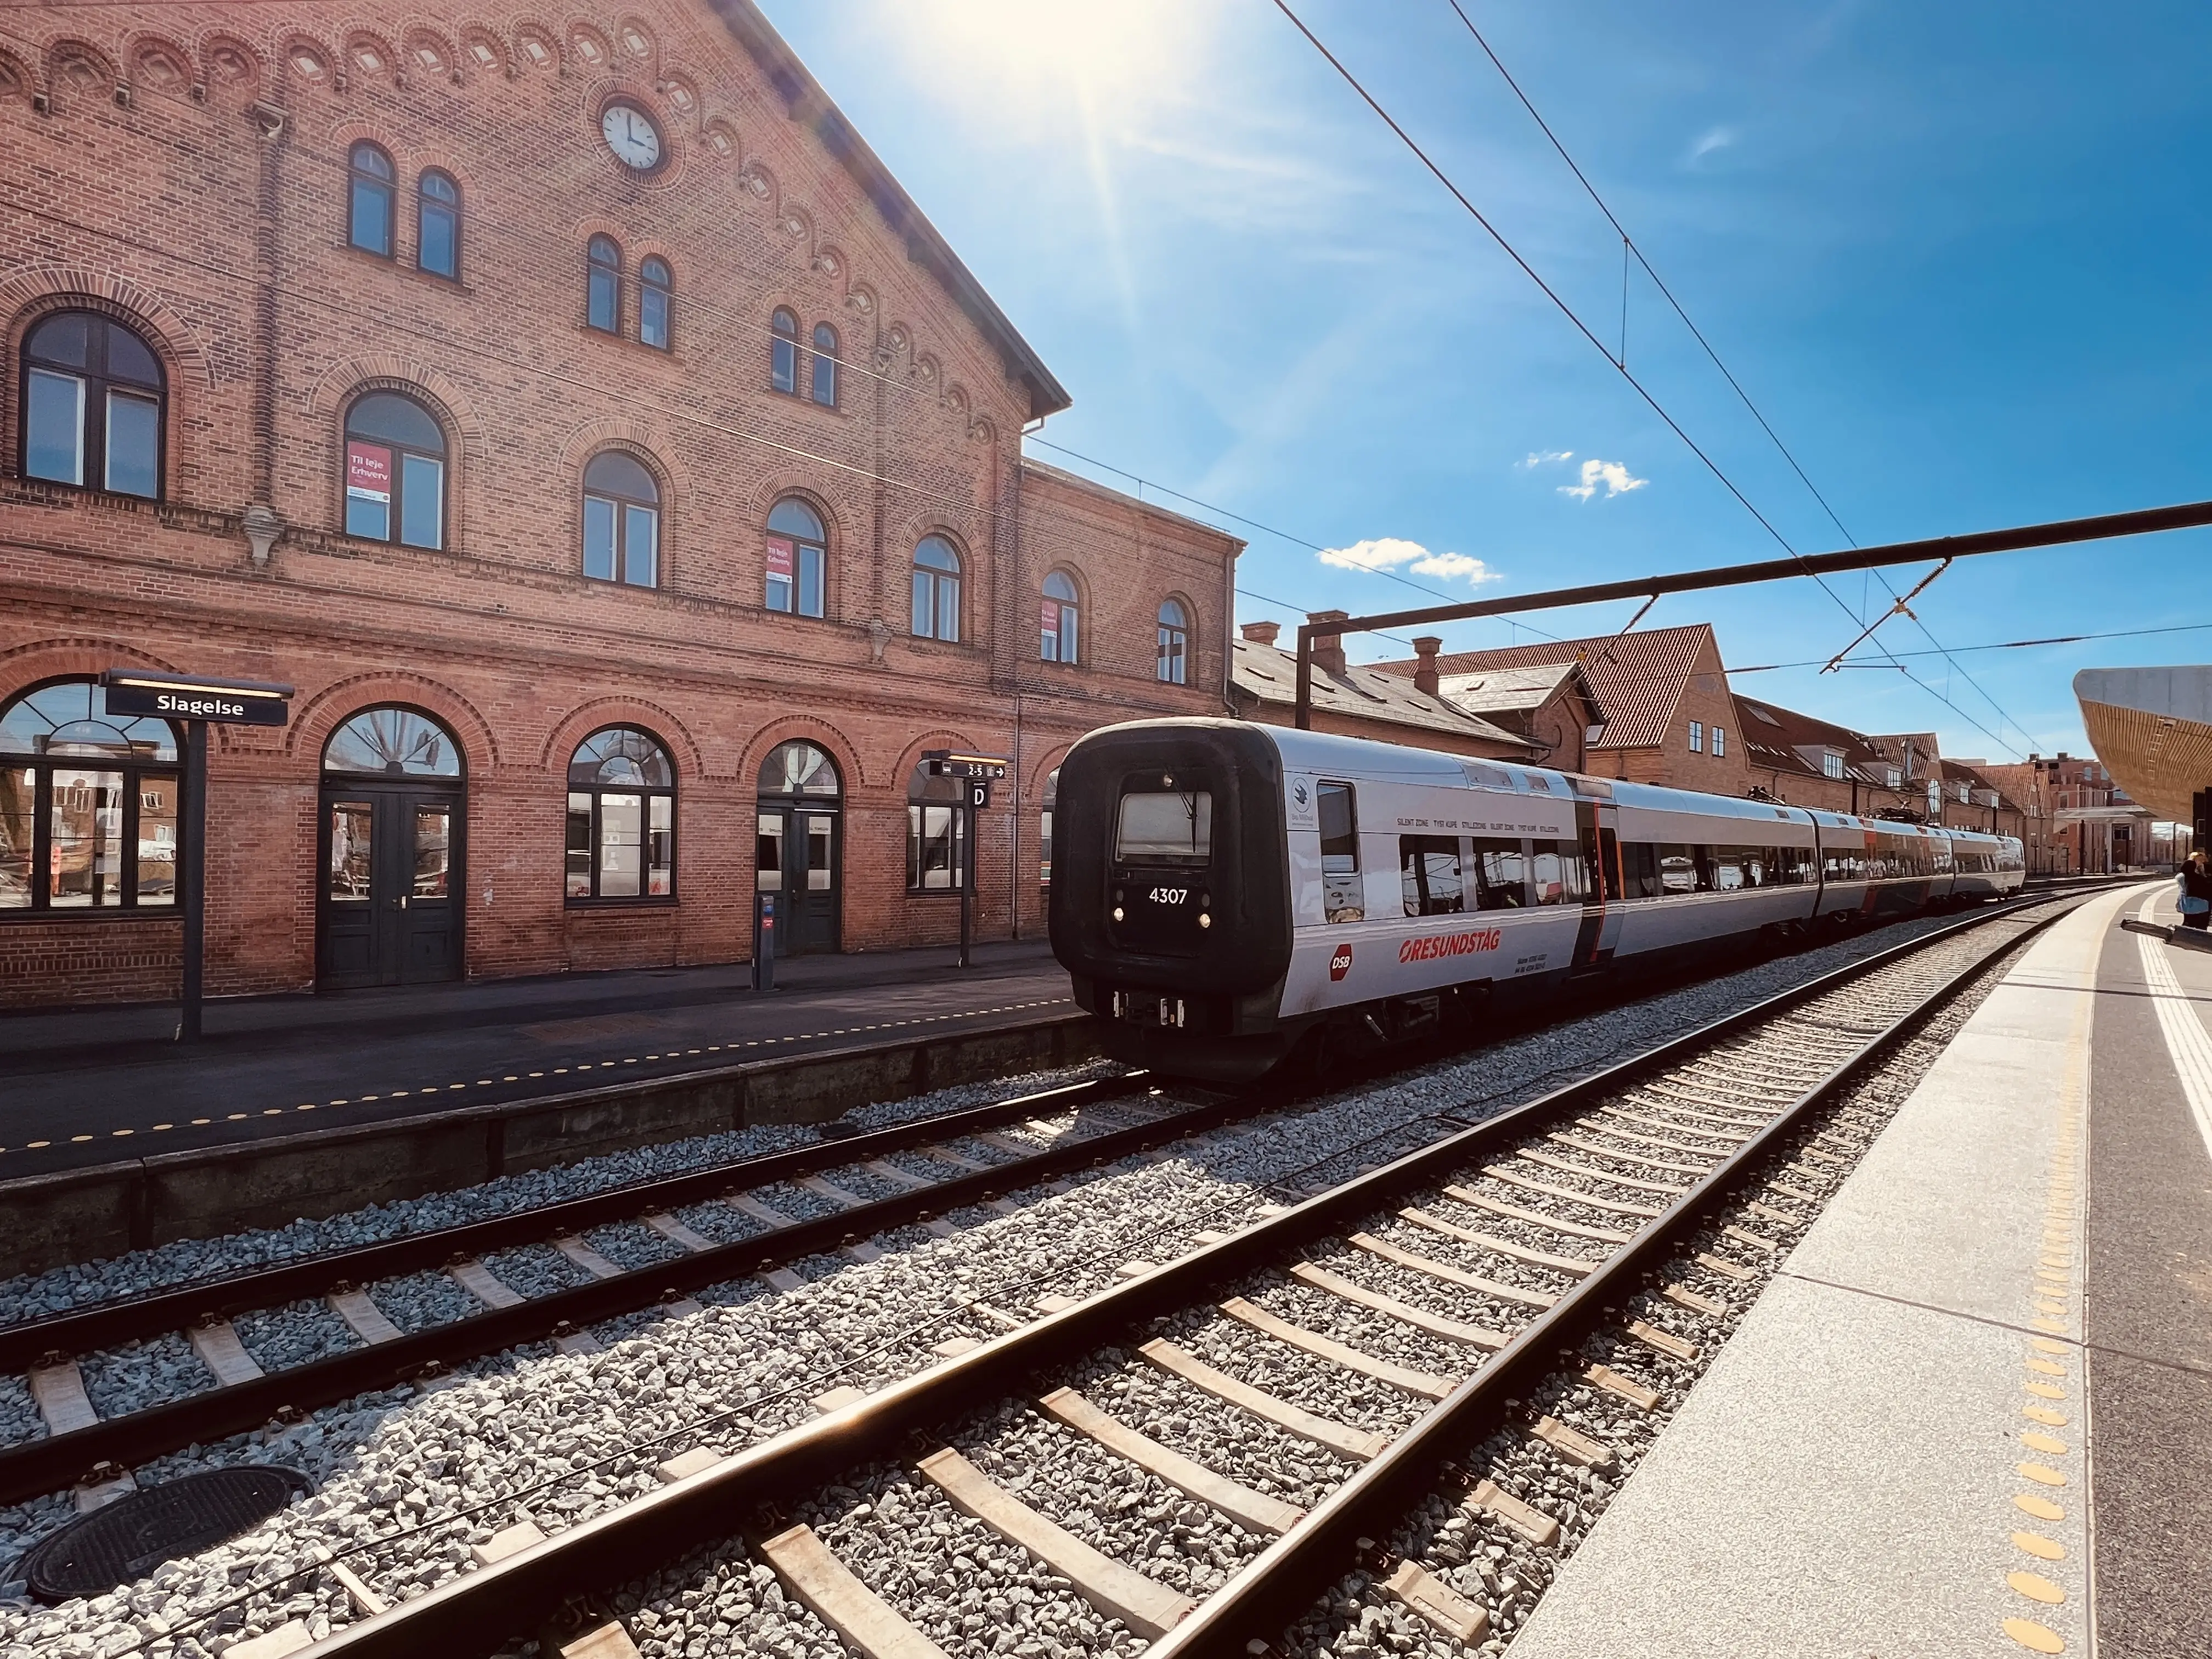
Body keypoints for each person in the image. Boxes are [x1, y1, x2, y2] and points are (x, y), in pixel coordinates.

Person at [2179, 848, 2212, 931]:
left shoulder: (2205, 870)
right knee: (2194, 924)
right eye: (2199, 860)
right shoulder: (2190, 872)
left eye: (2203, 860)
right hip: (2194, 901)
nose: (2202, 862)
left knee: (2198, 924)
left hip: (2201, 902)